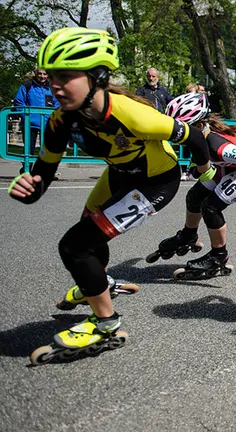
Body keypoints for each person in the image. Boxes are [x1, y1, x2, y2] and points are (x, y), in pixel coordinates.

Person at [9, 27, 212, 364]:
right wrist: (30, 190)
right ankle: (100, 284)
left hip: (156, 182)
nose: (55, 85)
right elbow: (43, 172)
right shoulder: (60, 120)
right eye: (52, 76)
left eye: (66, 76)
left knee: (76, 245)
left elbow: (193, 136)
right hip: (118, 173)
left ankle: (106, 324)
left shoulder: (133, 115)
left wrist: (204, 170)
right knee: (87, 230)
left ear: (98, 77)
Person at [149, 93, 236, 279]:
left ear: (198, 125)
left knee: (211, 207)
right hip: (231, 165)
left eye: (182, 128)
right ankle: (189, 235)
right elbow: (197, 168)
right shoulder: (199, 136)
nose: (177, 134)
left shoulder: (218, 147)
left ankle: (219, 256)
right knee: (195, 196)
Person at [13, 67, 60, 169]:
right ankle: (27, 170)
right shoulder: (27, 86)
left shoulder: (52, 87)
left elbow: (57, 103)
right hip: (30, 124)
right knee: (29, 149)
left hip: (47, 123)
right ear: (35, 74)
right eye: (40, 74)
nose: (42, 76)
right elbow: (19, 102)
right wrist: (26, 116)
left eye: (45, 74)